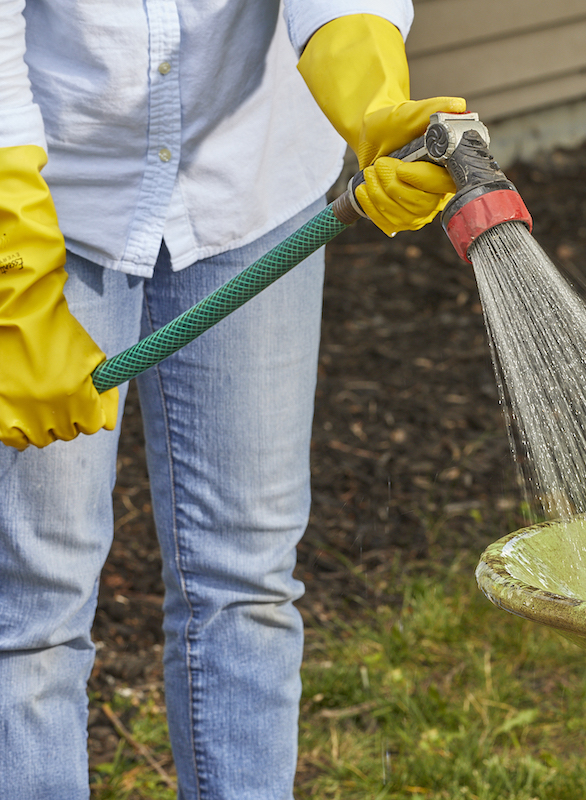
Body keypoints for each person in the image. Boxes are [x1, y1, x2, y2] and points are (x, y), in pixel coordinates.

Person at [0, 2, 464, 797]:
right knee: (32, 603)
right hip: (52, 196)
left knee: (248, 579)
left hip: (245, 188)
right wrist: (17, 279)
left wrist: (376, 104)